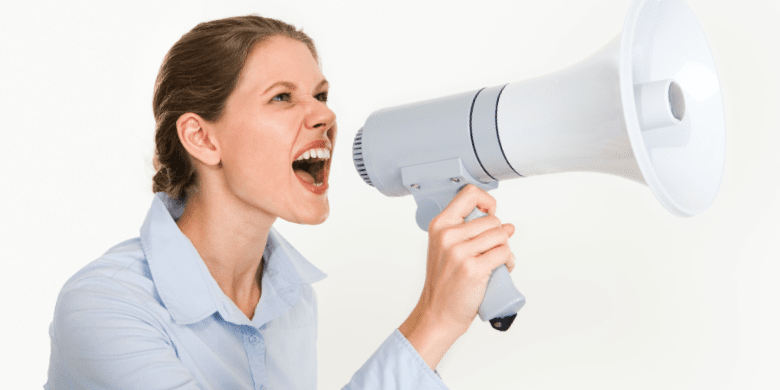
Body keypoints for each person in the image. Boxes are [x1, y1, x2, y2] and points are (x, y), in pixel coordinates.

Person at [45, 15, 516, 389]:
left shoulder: (291, 300)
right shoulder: (107, 308)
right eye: (283, 98)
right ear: (202, 137)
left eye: (322, 95)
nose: (326, 114)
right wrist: (432, 322)